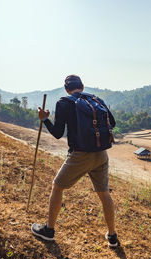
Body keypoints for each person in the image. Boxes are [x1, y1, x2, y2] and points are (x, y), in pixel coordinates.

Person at [31, 75, 118, 248]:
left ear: (66, 89)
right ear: (82, 86)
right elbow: (112, 123)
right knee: (104, 193)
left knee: (57, 186)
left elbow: (57, 133)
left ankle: (48, 230)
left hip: (80, 155)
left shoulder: (64, 103)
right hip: (101, 153)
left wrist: (44, 119)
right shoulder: (96, 100)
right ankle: (112, 236)